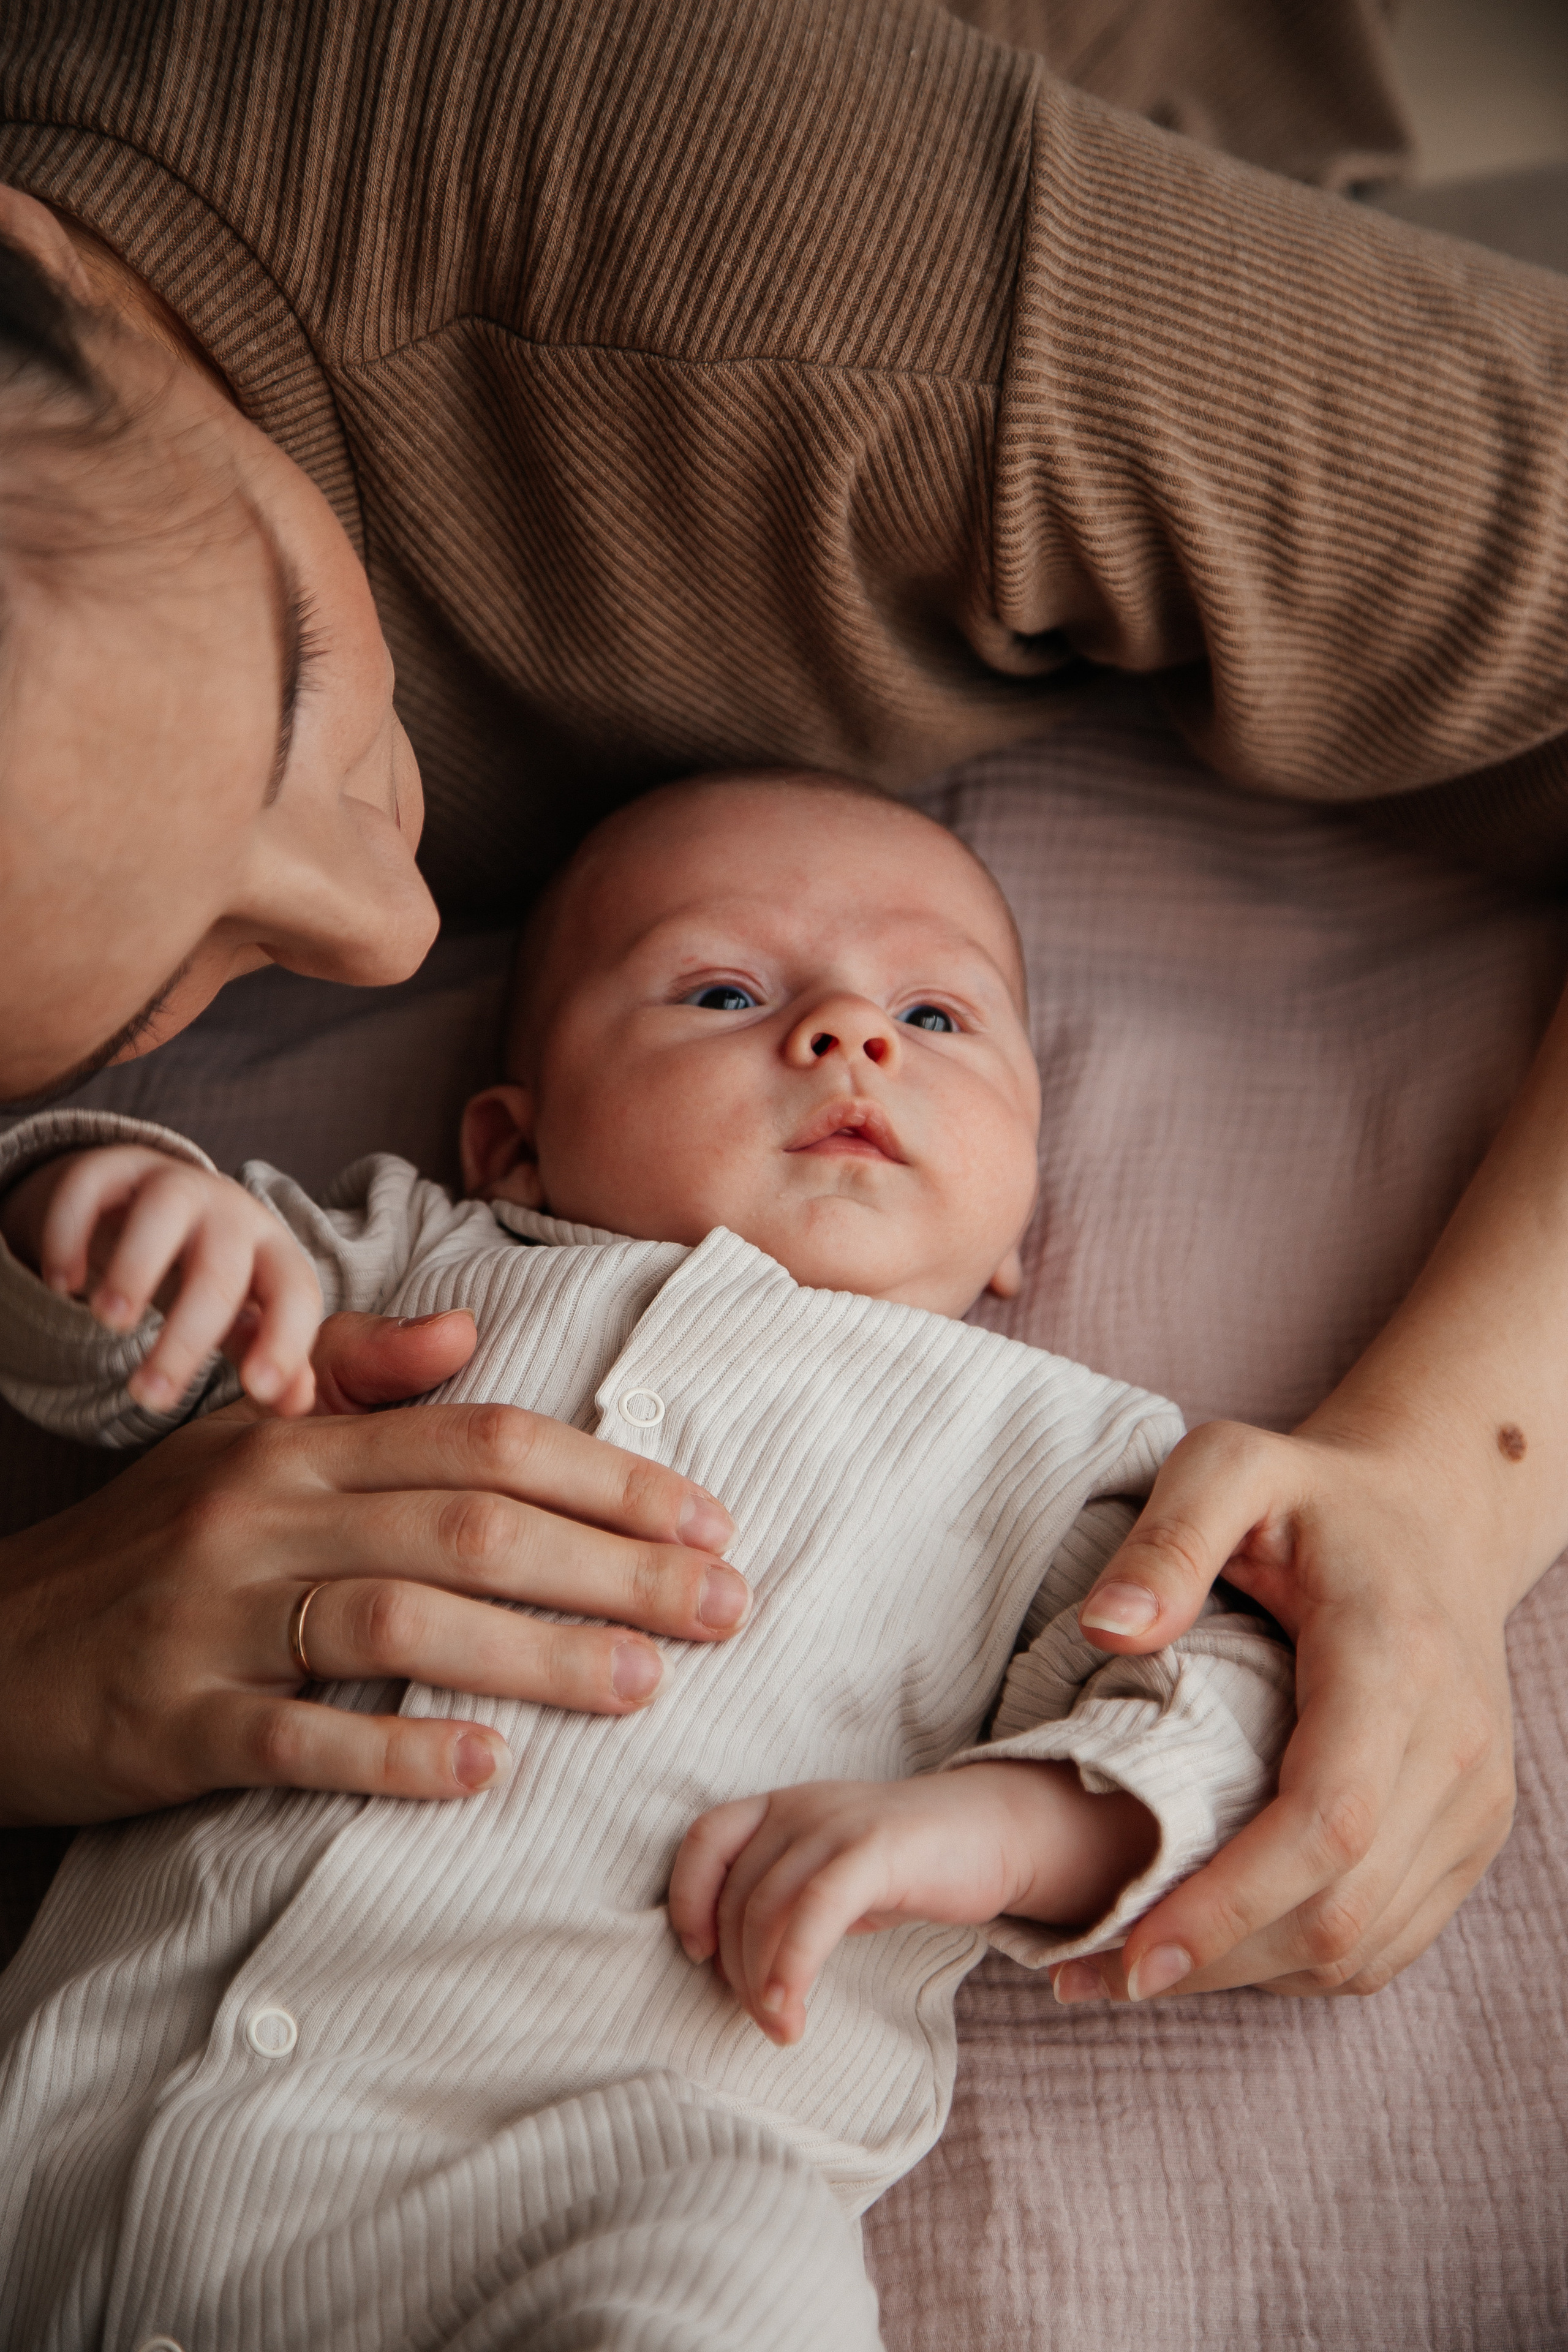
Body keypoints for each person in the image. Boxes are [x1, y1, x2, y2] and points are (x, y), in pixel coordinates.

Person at [0, 0, 1564, 2016]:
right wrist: (106, 1249)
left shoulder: (795, 288)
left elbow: (1197, 1676)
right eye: (156, 993)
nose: (392, 934)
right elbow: (130, 1321)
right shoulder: (417, 1274)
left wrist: (1444, 1498)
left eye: (299, 683)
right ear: (507, 1145)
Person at [0, 777, 1294, 2348]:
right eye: (725, 993)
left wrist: (1016, 1827)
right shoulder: (420, 1259)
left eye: (934, 1016)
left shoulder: (1043, 1444)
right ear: (513, 1147)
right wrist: (104, 1212)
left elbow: (1228, 1688)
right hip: (79, 2120)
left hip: (594, 2161)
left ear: (1018, 1213)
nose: (848, 1034)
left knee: (739, 2258)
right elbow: (134, 1355)